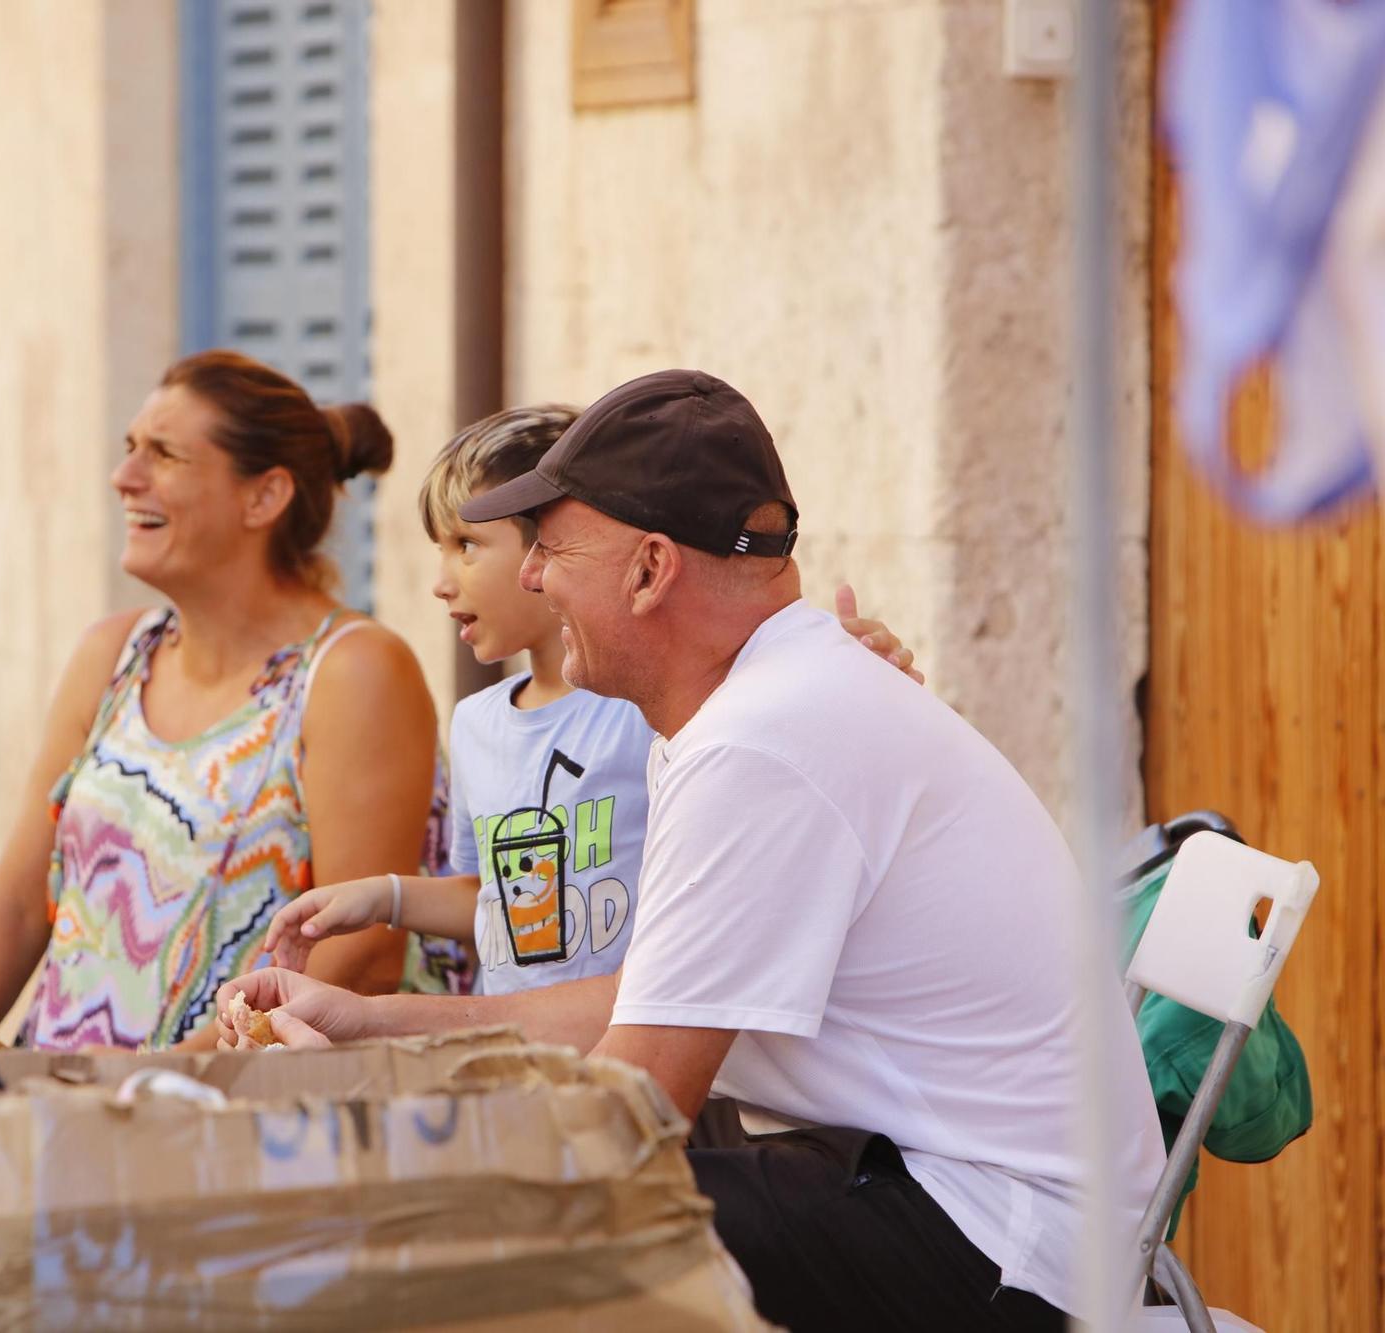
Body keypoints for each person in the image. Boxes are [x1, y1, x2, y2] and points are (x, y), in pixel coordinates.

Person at [219, 370, 1166, 1330]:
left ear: (650, 569)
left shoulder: (761, 738)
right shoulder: (766, 699)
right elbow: (634, 1006)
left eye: (552, 548)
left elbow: (631, 1111)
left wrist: (375, 1133)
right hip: (948, 1188)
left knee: (484, 1235)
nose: (536, 576)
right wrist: (365, 1026)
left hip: (997, 1241)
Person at [264, 406, 922, 1002]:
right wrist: (385, 896)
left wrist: (854, 661)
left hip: (647, 1045)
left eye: (466, 546)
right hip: (521, 1062)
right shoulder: (476, 724)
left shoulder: (653, 706)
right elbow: (497, 898)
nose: (440, 583)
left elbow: (780, 714)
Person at [0, 350, 454, 1051]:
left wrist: (146, 1093)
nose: (125, 477)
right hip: (62, 1116)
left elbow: (362, 956)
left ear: (263, 497)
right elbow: (16, 900)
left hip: (227, 1128)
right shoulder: (114, 653)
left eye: (164, 455)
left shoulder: (353, 669)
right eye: (130, 449)